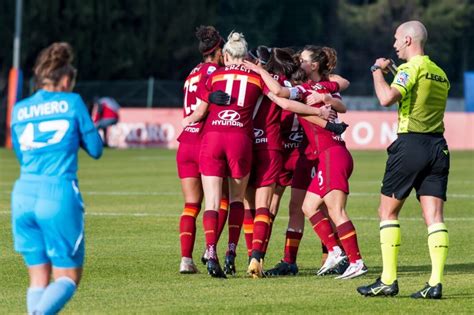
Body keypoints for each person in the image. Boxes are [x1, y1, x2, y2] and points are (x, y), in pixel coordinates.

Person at [183, 32, 332, 278]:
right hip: (247, 143)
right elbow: (285, 101)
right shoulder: (257, 77)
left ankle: (211, 251)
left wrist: (187, 124)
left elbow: (198, 112)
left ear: (227, 54)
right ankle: (248, 256)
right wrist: (324, 118)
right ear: (250, 57)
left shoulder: (215, 74)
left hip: (215, 140)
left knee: (213, 202)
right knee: (250, 203)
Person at [357, 20, 450, 298]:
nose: (394, 44)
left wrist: (376, 72)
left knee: (387, 212)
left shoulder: (411, 68)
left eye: (397, 39)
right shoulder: (439, 72)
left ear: (409, 40)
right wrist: (393, 71)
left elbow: (387, 97)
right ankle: (435, 284)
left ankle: (388, 280)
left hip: (411, 144)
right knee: (434, 217)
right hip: (438, 146)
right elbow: (415, 90)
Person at [10, 42, 103, 314]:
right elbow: (96, 150)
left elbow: (22, 154)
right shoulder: (72, 102)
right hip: (57, 194)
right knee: (67, 277)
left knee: (38, 277)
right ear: (65, 79)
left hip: (23, 195)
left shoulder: (20, 109)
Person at [176, 25, 229, 274]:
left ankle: (186, 260)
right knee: (223, 201)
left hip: (185, 143)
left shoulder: (191, 72)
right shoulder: (213, 70)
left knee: (191, 204)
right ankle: (211, 250)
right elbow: (205, 101)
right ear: (217, 50)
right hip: (204, 139)